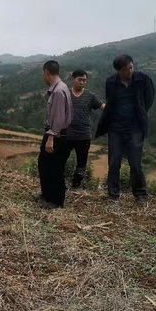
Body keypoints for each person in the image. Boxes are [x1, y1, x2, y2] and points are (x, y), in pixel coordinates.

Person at [95, 54, 155, 203]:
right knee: (114, 162)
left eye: (131, 67)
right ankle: (113, 194)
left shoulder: (142, 79)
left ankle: (140, 194)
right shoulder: (111, 82)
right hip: (116, 128)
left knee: (135, 163)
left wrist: (140, 112)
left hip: (135, 129)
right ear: (119, 70)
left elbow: (149, 99)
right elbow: (110, 102)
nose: (130, 71)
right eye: (126, 69)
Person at [38, 60, 73, 208]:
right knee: (45, 164)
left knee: (55, 168)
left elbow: (58, 117)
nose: (43, 76)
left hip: (57, 135)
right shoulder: (61, 87)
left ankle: (56, 202)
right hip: (57, 133)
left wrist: (51, 137)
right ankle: (47, 196)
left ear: (46, 72)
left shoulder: (58, 91)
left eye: (43, 74)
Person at [65, 70, 105, 188]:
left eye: (84, 80)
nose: (82, 82)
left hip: (84, 135)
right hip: (67, 134)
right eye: (80, 79)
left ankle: (75, 186)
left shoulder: (90, 96)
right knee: (61, 160)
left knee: (81, 164)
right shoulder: (65, 94)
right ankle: (59, 184)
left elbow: (103, 107)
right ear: (73, 79)